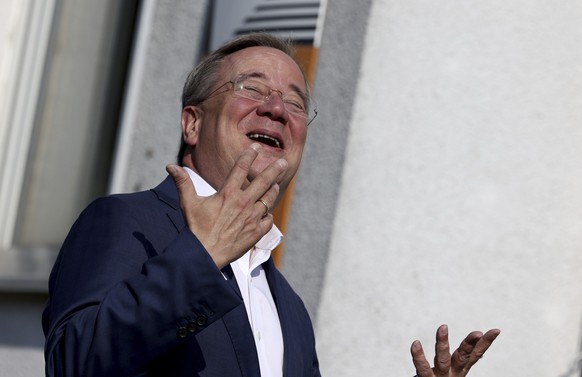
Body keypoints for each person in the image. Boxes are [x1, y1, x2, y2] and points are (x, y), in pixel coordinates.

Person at [42, 33, 500, 377]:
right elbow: (74, 362)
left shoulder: (289, 307)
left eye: (296, 103)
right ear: (193, 123)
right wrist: (200, 258)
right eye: (252, 89)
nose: (277, 109)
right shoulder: (127, 222)